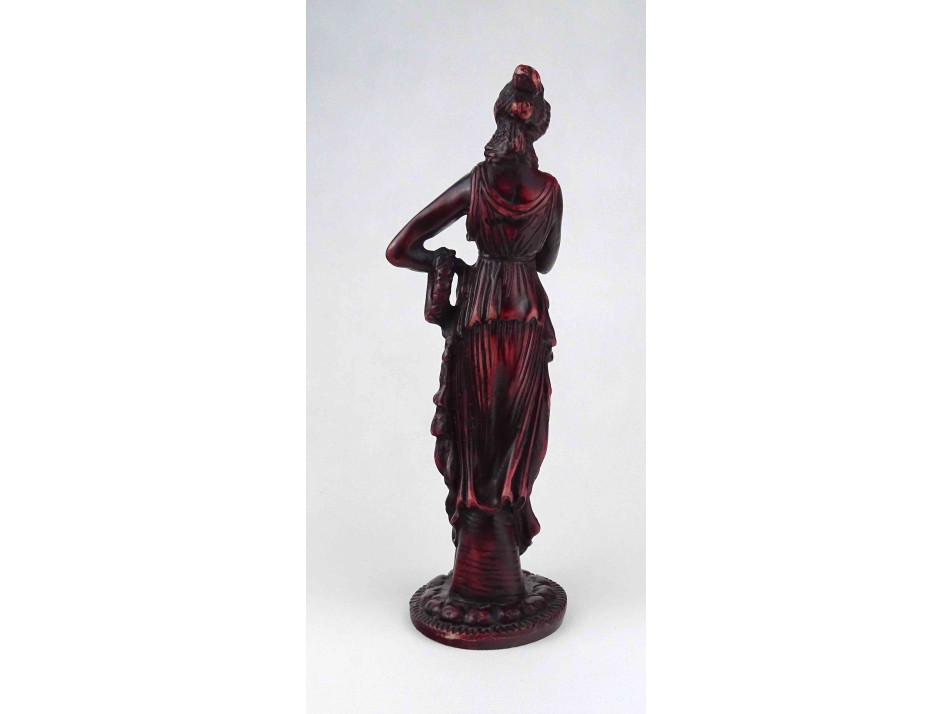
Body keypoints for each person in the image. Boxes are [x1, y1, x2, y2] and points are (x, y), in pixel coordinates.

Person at [387, 65, 563, 603]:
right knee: (515, 439)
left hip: (480, 314)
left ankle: (480, 575)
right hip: (525, 319)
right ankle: (494, 571)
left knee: (475, 437)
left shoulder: (479, 182)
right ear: (539, 127)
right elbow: (546, 262)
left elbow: (401, 248)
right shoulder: (549, 191)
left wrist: (448, 263)